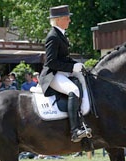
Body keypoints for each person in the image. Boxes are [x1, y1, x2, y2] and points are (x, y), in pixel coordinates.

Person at [39, 5, 91, 143]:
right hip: (52, 74)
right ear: (58, 20)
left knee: (86, 80)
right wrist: (72, 67)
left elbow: (63, 58)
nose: (69, 21)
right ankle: (75, 131)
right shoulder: (53, 36)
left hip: (62, 71)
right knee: (73, 90)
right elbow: (51, 62)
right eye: (67, 18)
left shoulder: (61, 34)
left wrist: (78, 65)